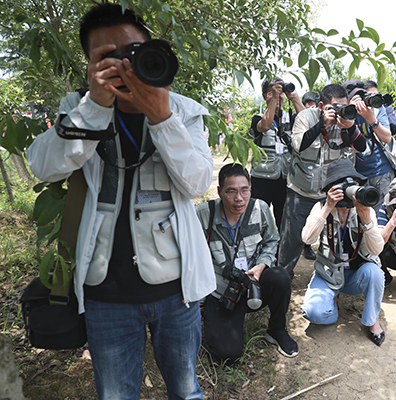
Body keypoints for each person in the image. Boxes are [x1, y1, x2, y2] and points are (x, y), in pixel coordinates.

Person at [26, 4, 215, 399]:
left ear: (151, 51)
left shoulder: (182, 109)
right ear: (90, 64)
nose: (124, 65)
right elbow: (43, 166)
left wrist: (162, 118)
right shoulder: (78, 108)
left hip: (175, 285)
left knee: (186, 390)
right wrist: (95, 107)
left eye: (132, 52)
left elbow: (196, 181)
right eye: (108, 57)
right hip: (104, 290)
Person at [196, 163, 298, 362]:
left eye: (244, 190)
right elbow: (191, 254)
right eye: (231, 192)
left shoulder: (260, 209)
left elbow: (272, 240)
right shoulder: (203, 214)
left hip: (254, 287)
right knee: (226, 356)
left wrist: (261, 265)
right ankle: (222, 320)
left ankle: (277, 329)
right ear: (219, 192)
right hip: (222, 292)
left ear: (251, 188)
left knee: (280, 277)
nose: (239, 199)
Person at [277, 84, 368, 278]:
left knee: (331, 239)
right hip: (300, 190)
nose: (339, 112)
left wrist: (351, 127)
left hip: (330, 194)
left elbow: (363, 148)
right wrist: (322, 125)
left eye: (343, 107)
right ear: (321, 106)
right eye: (335, 107)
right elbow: (298, 145)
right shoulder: (305, 117)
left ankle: (331, 279)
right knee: (292, 240)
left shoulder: (347, 120)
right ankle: (282, 278)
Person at [301, 158, 386, 346]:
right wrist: (327, 208)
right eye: (343, 185)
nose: (349, 191)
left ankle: (372, 320)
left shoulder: (365, 210)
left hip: (356, 273)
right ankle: (332, 301)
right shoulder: (322, 207)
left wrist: (367, 220)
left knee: (376, 274)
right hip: (329, 272)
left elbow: (377, 249)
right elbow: (307, 239)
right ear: (330, 188)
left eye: (353, 184)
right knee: (313, 313)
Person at [249, 78, 304, 230]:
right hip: (261, 179)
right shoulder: (257, 118)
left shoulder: (290, 117)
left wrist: (295, 98)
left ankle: (281, 253)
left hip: (284, 179)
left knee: (284, 221)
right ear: (264, 95)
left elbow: (308, 122)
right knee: (258, 219)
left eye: (280, 93)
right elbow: (265, 125)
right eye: (271, 92)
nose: (278, 96)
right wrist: (274, 98)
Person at [343, 79, 395, 211]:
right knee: (362, 222)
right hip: (357, 176)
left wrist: (371, 118)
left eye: (360, 95)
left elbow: (387, 137)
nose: (359, 100)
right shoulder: (342, 114)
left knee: (382, 218)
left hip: (381, 172)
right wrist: (349, 114)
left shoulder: (375, 109)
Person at [300, 91, 320, 261]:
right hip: (299, 174)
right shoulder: (299, 118)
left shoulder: (324, 120)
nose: (311, 108)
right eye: (309, 105)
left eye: (314, 104)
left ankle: (307, 246)